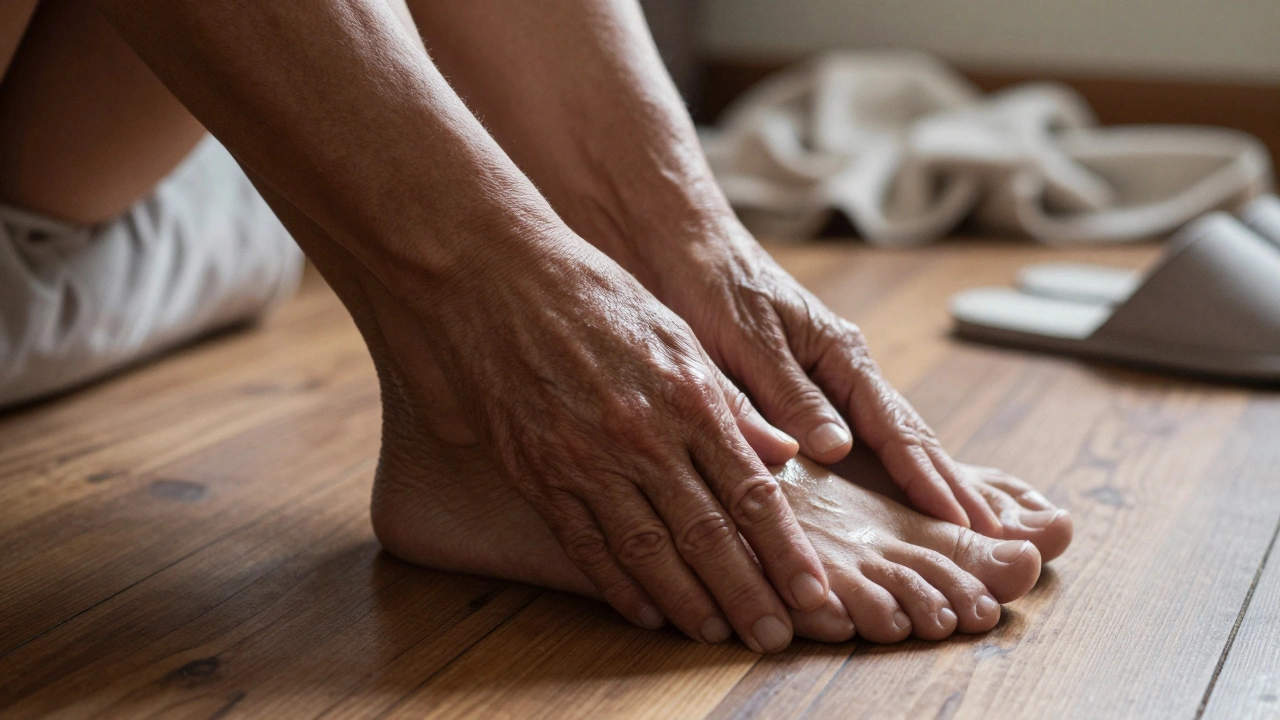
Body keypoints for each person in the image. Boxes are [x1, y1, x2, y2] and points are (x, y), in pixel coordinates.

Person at [0, 0, 1072, 653]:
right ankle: (471, 361)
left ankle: (643, 251)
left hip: (154, 181)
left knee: (667, 245)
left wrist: (690, 245)